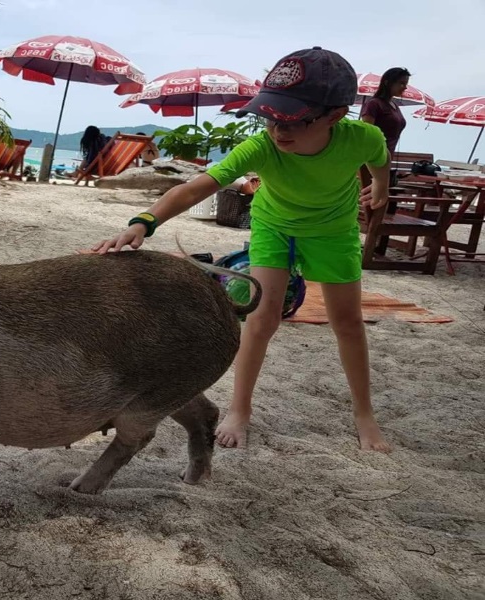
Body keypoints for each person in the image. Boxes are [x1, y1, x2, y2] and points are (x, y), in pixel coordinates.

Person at [91, 47, 392, 453]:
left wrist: (382, 191)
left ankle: (364, 415)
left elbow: (379, 162)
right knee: (261, 318)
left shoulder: (363, 137)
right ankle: (239, 409)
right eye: (269, 118)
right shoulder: (261, 147)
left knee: (348, 323)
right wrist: (144, 221)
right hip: (274, 226)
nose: (278, 131)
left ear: (335, 116)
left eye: (296, 121)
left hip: (332, 231)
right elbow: (197, 187)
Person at [360, 67, 411, 185]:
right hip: (371, 159)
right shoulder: (374, 104)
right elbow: (367, 133)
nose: (405, 87)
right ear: (387, 82)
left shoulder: (394, 105)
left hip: (386, 159)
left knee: (379, 199)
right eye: (401, 83)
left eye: (406, 84)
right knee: (372, 199)